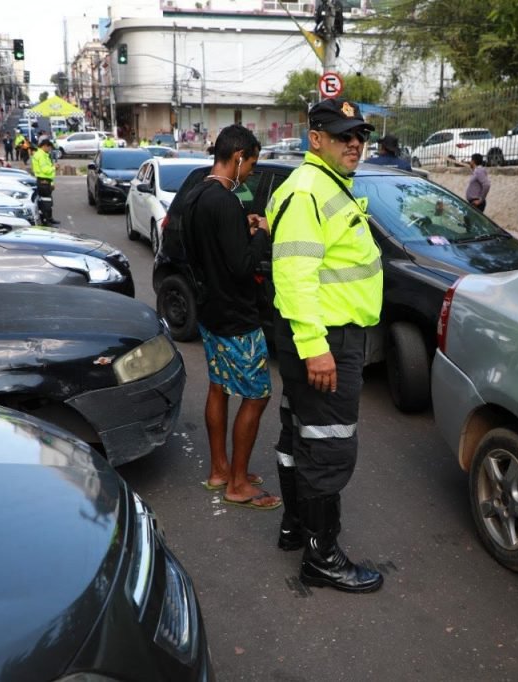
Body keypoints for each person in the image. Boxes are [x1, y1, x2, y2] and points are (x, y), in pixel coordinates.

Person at [265, 98, 384, 593]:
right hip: (325, 342)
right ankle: (323, 557)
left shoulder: (326, 186)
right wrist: (316, 346)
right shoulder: (311, 190)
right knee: (329, 449)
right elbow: (295, 275)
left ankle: (295, 526)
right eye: (342, 135)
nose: (355, 143)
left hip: (320, 337)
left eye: (359, 136)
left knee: (300, 437)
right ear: (315, 139)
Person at [182, 124, 280, 510]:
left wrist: (244, 228)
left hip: (210, 311)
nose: (252, 173)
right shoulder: (224, 201)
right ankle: (238, 484)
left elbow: (205, 252)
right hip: (236, 317)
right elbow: (241, 266)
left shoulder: (194, 196)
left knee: (218, 386)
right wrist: (261, 232)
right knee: (257, 396)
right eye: (251, 164)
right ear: (237, 157)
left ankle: (220, 469)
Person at [32, 138, 60, 225]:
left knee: (48, 201)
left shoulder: (43, 154)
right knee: (46, 203)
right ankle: (46, 221)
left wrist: (51, 183)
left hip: (46, 181)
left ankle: (50, 218)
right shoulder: (40, 155)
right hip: (43, 181)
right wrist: (54, 167)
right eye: (49, 148)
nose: (50, 150)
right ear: (44, 146)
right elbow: (45, 170)